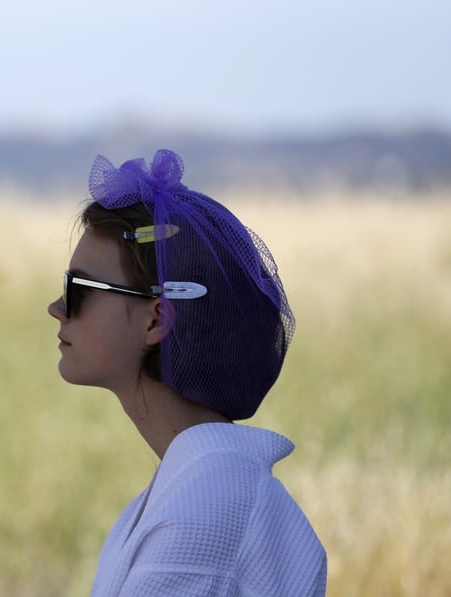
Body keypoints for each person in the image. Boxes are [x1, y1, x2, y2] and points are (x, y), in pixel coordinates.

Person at [47, 150, 327, 596]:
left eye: (77, 289)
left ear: (156, 319)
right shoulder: (177, 496)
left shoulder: (205, 510)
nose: (56, 308)